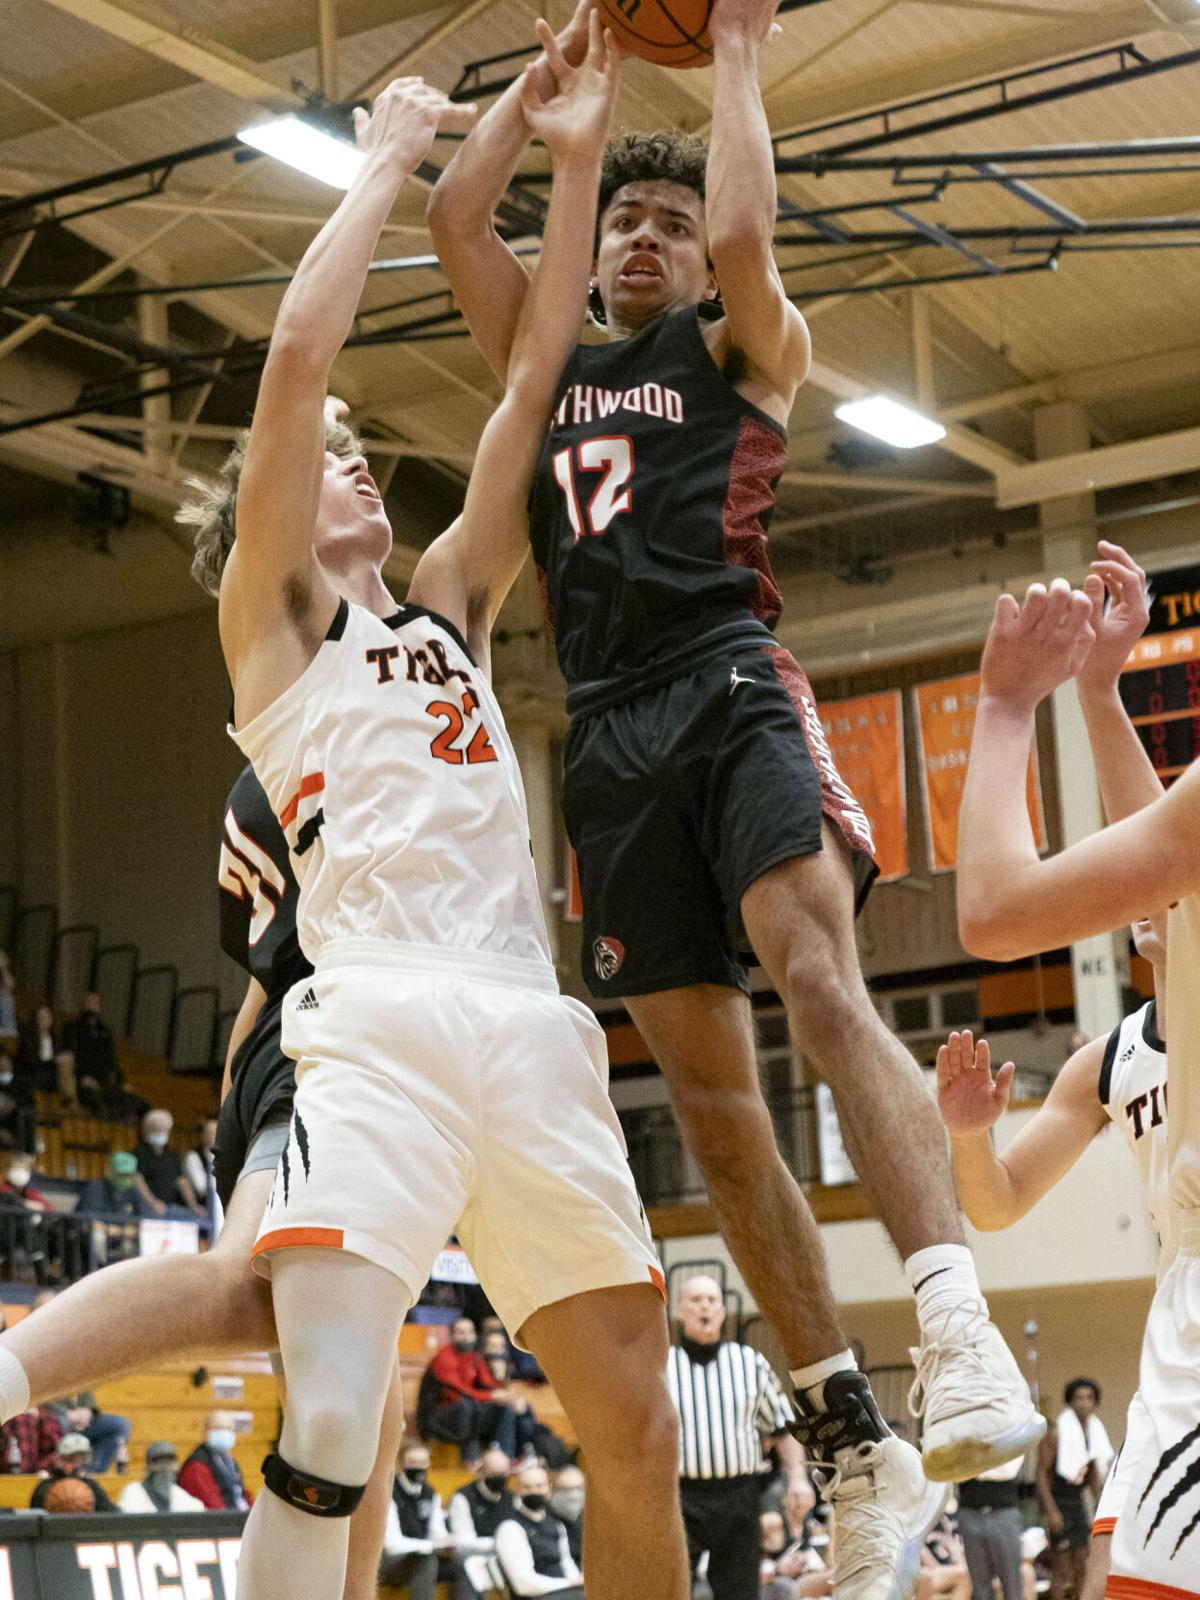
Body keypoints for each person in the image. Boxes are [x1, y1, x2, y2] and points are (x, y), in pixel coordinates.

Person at [428, 0, 1040, 1548]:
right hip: (607, 730)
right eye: (624, 217)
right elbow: (451, 215)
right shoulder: (544, 365)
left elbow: (759, 241)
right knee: (706, 1101)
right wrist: (546, 95)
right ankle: (846, 1435)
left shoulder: (741, 344)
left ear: (702, 255)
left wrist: (743, 51)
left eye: (668, 222)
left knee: (817, 976)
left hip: (728, 678)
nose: (642, 238)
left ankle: (954, 1317)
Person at [213, 31, 684, 1600]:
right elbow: (295, 365)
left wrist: (565, 159)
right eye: (335, 460)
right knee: (338, 1422)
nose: (353, 464)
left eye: (360, 452)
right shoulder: (275, 622)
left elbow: (540, 379)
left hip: (529, 1025)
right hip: (382, 1032)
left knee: (638, 1426)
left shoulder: (446, 607)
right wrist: (387, 161)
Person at [956, 540, 1200, 1597]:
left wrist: (1013, 706)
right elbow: (1164, 848)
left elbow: (997, 909)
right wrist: (1100, 687)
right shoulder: (1107, 1058)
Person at [669, 1275, 815, 1600]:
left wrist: (799, 1479)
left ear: (722, 1312)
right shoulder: (663, 1366)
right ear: (679, 1311)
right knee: (672, 1590)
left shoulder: (750, 1362)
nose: (704, 1306)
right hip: (679, 1498)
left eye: (711, 1300)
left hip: (739, 1496)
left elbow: (782, 1427)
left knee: (740, 1593)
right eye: (695, 1300)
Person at [1036, 1381, 1112, 1600]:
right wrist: (1051, 1511)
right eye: (1079, 1397)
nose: (1084, 1403)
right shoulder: (1057, 1432)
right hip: (1059, 1501)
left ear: (1096, 1402)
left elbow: (1092, 1473)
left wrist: (1101, 1505)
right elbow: (1041, 1473)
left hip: (1078, 1503)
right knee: (1062, 1571)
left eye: (1089, 1398)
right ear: (1070, 1401)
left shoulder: (1094, 1431)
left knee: (1083, 1567)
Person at [424, 1316, 531, 1461]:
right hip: (438, 1416)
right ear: (452, 1336)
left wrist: (508, 1396)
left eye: (470, 1332)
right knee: (466, 1407)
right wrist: (491, 1397)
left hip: (468, 1411)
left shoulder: (475, 1357)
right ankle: (470, 1460)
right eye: (461, 1333)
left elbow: (489, 1384)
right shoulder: (444, 1358)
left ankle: (505, 1459)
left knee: (504, 1408)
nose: (466, 1337)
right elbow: (459, 1392)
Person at [495, 1463, 583, 1598]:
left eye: (539, 1486)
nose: (534, 1491)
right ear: (518, 1490)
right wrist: (568, 1584)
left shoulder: (556, 1523)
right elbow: (523, 1586)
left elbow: (567, 1564)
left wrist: (578, 1582)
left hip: (566, 1593)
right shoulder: (510, 1527)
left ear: (549, 1490)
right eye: (527, 1487)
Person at [379, 1443, 454, 1599]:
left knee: (463, 1563)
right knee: (427, 1561)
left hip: (420, 1556)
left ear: (429, 1464)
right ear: (400, 1464)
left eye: (423, 1463)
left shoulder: (430, 1492)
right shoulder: (388, 1492)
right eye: (412, 1463)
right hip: (388, 1563)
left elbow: (437, 1533)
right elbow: (392, 1545)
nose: (418, 1468)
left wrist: (448, 1544)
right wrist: (431, 1545)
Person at [449, 1448, 516, 1598]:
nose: (500, 1478)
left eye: (504, 1473)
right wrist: (500, 1544)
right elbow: (464, 1542)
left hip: (504, 1555)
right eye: (494, 1473)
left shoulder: (511, 1497)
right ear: (482, 1472)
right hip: (472, 1555)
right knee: (469, 1568)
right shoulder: (463, 1497)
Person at [953, 1461, 1024, 1600]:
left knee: (1012, 1584)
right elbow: (955, 1471)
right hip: (970, 1513)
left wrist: (972, 1468)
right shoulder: (964, 1438)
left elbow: (1007, 1470)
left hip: (1003, 1513)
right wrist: (986, 1465)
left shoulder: (1007, 1438)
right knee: (980, 1588)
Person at [64, 992, 138, 1118]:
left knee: (136, 1103)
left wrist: (122, 1081)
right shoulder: (72, 1029)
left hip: (103, 1081)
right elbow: (69, 1057)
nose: (92, 1006)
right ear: (82, 1005)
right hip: (82, 1081)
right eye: (89, 1003)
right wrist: (82, 1076)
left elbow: (111, 1059)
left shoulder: (105, 1031)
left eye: (95, 1003)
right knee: (99, 1104)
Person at [132, 1108, 206, 1219]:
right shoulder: (139, 1153)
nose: (162, 1133)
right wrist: (153, 1202)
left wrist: (194, 1205)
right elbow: (137, 1179)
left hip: (171, 1207)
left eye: (165, 1130)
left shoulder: (172, 1155)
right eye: (158, 1130)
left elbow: (182, 1181)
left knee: (196, 1217)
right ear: (147, 1130)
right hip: (146, 1207)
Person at [178, 1410, 251, 1511]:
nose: (225, 1433)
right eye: (219, 1428)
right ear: (206, 1432)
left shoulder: (228, 1461)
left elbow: (240, 1492)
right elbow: (212, 1505)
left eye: (229, 1429)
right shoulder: (196, 1466)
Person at [29, 1431, 116, 1512]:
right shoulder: (45, 1487)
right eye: (70, 1458)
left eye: (81, 1457)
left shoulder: (91, 1486)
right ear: (59, 1458)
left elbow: (111, 1514)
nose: (76, 1463)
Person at [118, 1441, 205, 1514]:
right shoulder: (133, 1491)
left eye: (169, 1462)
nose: (165, 1467)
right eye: (159, 1462)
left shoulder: (177, 1493)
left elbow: (198, 1510)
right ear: (148, 1467)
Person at [16, 1004, 76, 1105]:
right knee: (64, 1068)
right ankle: (73, 1104)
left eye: (47, 1016)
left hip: (54, 1073)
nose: (45, 1019)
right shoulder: (29, 1039)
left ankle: (71, 1103)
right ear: (36, 1019)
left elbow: (61, 1057)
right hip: (37, 1072)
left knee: (67, 1062)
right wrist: (54, 1060)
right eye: (42, 1016)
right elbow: (31, 1062)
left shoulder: (56, 1039)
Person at [1, 1403, 62, 1472]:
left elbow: (52, 1448)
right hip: (9, 1474)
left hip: (30, 1473)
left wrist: (40, 1468)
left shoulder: (42, 1418)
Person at [550, 1465, 585, 1567]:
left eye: (579, 1488)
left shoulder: (590, 1520)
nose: (573, 1495)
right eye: (566, 1490)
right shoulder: (546, 1521)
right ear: (554, 1491)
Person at [184, 1117, 218, 1207]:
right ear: (203, 1136)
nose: (212, 1136)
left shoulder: (226, 1158)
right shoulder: (193, 1157)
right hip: (203, 1207)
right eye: (209, 1133)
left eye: (216, 1133)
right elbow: (201, 1187)